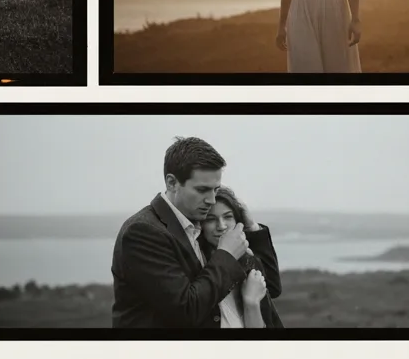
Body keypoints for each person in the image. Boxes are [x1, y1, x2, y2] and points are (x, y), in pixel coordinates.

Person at [110, 136, 277, 328]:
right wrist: (227, 255)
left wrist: (252, 228)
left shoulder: (198, 224)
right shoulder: (143, 232)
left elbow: (270, 287)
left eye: (215, 190)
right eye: (202, 190)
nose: (212, 200)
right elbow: (186, 310)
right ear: (172, 183)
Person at [199, 185, 285, 328]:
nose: (221, 226)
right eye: (210, 219)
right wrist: (251, 301)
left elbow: (273, 288)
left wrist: (252, 226)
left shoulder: (246, 259)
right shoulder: (196, 265)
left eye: (228, 217)